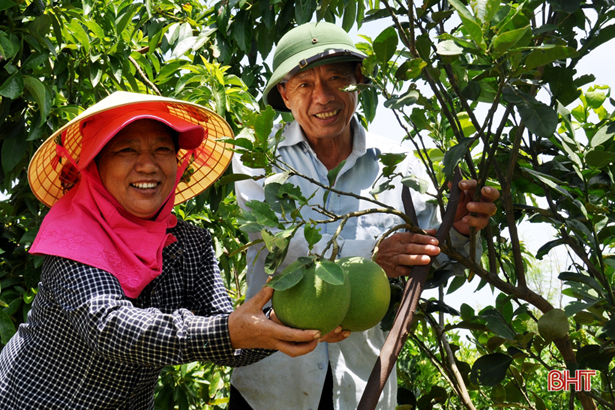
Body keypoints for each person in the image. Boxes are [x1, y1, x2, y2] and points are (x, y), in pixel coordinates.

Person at [230, 22, 500, 410]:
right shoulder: (258, 163)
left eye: (337, 78)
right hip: (271, 385)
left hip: (363, 384)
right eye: (304, 84)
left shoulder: (401, 167)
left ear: (358, 81)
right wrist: (373, 258)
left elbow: (430, 265)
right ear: (285, 95)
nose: (323, 97)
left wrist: (454, 233)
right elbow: (284, 256)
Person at [0, 91, 322, 409]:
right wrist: (227, 331)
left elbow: (233, 333)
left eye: (162, 149)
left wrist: (286, 321)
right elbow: (111, 329)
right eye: (126, 150)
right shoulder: (72, 239)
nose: (148, 166)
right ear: (95, 165)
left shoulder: (188, 245)